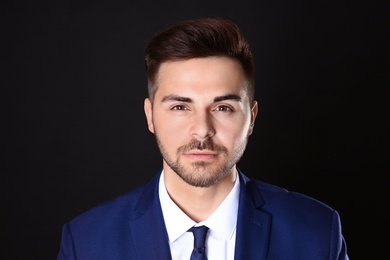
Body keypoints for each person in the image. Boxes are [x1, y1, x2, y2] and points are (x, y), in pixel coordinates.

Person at [57, 17, 349, 260]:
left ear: (252, 118)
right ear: (150, 116)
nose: (202, 130)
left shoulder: (317, 232)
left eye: (223, 108)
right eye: (180, 107)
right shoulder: (86, 243)